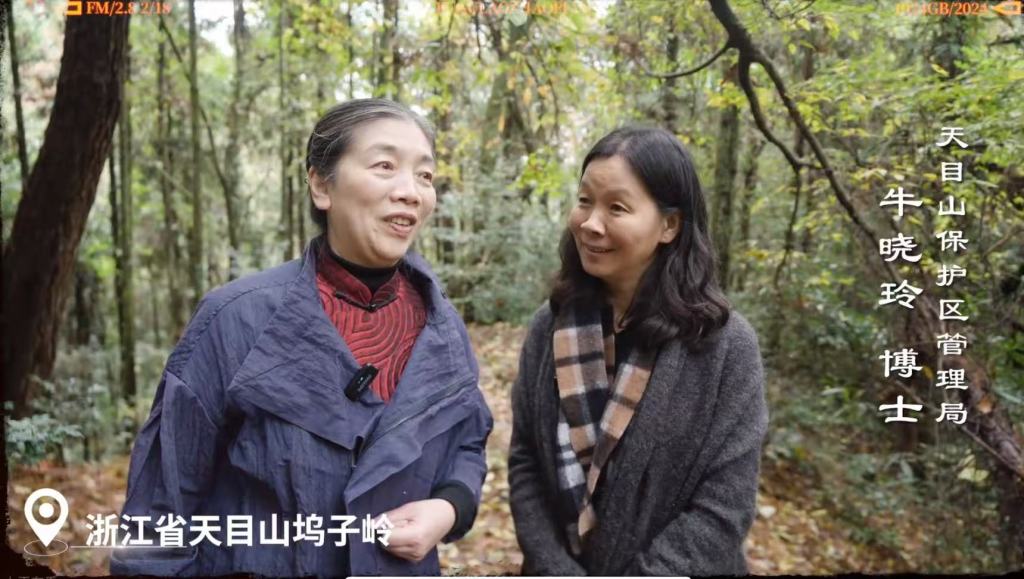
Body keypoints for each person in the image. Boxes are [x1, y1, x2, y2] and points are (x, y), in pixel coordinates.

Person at [111, 99, 492, 577]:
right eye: (384, 166)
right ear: (321, 185)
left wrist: (449, 506)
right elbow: (158, 512)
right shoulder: (236, 319)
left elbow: (467, 443)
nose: (410, 192)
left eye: (425, 175)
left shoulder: (442, 326)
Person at [508, 127, 768, 575]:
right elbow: (526, 462)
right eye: (585, 200)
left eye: (617, 208)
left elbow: (725, 507)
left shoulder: (726, 348)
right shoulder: (550, 327)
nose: (590, 223)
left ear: (670, 225)